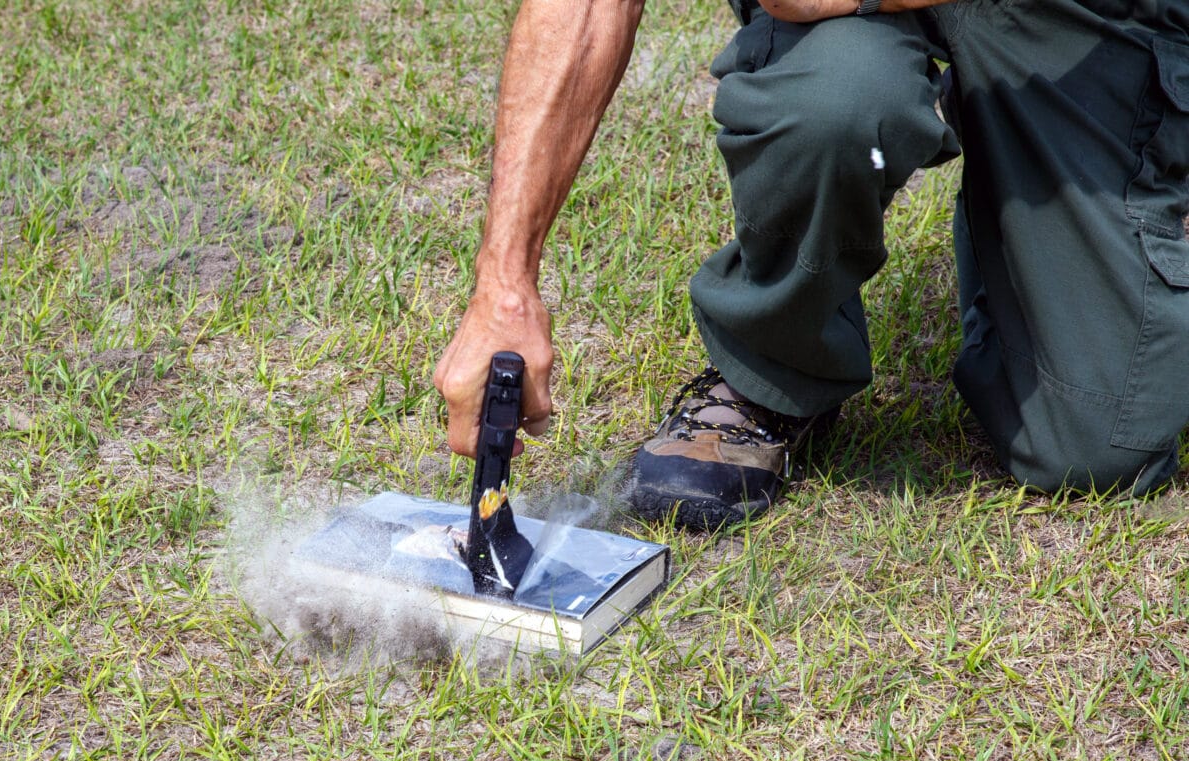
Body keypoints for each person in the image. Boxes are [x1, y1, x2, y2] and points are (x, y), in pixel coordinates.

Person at [433, 0, 1189, 530]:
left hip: (1073, 17)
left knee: (1094, 446)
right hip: (829, 19)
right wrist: (505, 286)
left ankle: (1025, 198)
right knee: (835, 106)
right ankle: (775, 371)